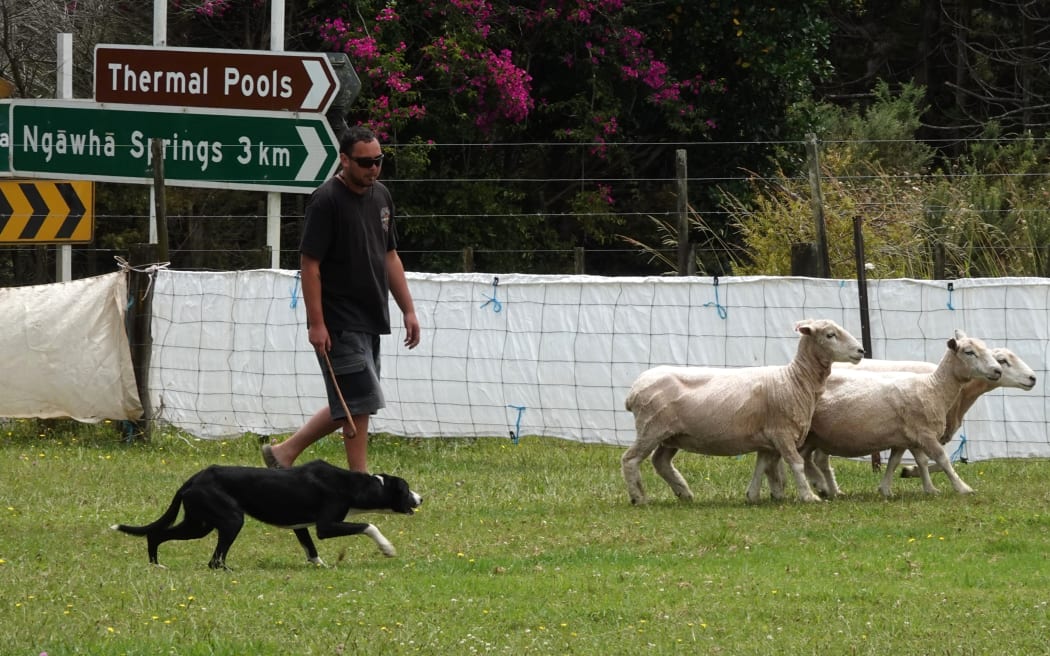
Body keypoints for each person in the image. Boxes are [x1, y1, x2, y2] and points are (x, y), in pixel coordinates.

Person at [262, 125, 420, 473]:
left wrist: (408, 309)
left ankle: (283, 453)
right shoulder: (326, 200)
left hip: (372, 316)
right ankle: (358, 481)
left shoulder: (381, 196)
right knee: (360, 398)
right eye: (365, 163)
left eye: (378, 161)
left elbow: (389, 255)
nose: (373, 169)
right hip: (338, 320)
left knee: (356, 400)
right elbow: (310, 264)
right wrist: (317, 324)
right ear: (344, 160)